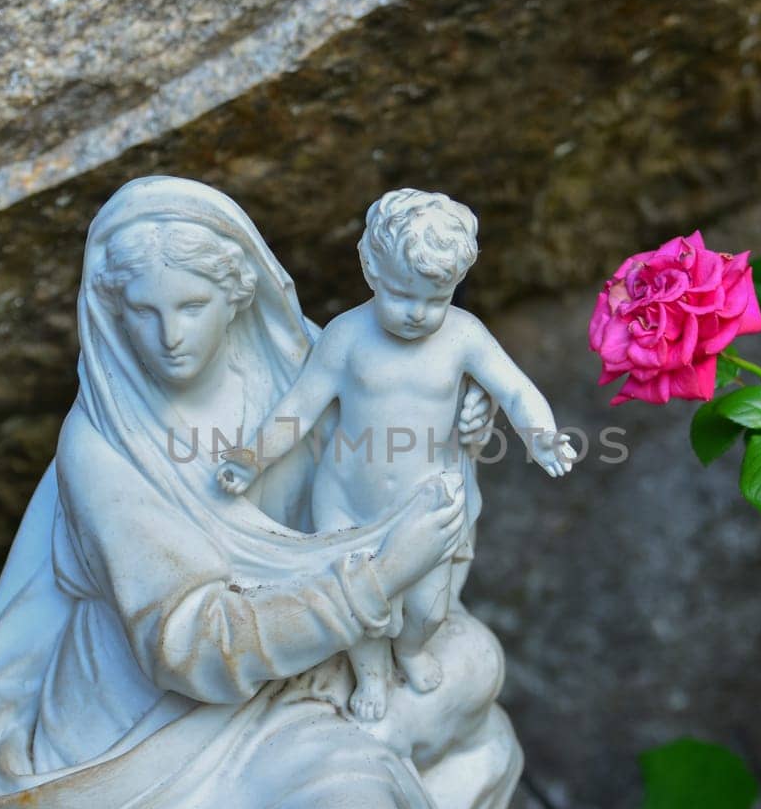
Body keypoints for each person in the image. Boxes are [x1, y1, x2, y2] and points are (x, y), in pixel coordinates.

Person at [0, 176, 522, 809]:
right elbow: (189, 645)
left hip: (289, 705)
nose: (168, 336)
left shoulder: (307, 371)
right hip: (133, 749)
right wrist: (374, 579)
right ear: (112, 311)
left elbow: (392, 496)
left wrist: (454, 441)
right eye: (142, 312)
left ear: (236, 291)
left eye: (191, 306)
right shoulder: (104, 446)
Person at [217, 189, 572, 723]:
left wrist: (539, 432)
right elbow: (299, 409)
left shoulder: (463, 336)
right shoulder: (346, 338)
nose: (418, 314)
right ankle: (372, 675)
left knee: (430, 607)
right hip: (347, 502)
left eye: (436, 299)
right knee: (360, 608)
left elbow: (515, 389)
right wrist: (254, 458)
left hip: (431, 503)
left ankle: (409, 650)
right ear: (370, 269)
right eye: (403, 296)